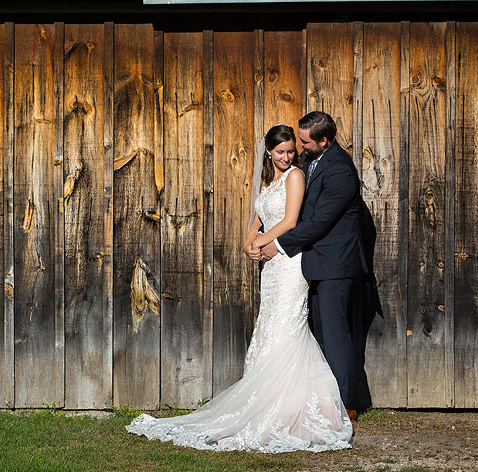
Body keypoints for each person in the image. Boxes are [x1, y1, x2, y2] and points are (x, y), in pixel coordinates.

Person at [125, 122, 353, 452]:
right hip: (270, 267)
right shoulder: (269, 180)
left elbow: (290, 221)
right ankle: (263, 397)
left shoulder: (295, 177)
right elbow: (258, 217)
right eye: (281, 152)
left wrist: (262, 241)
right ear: (269, 153)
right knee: (268, 328)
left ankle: (292, 406)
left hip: (289, 264)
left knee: (287, 328)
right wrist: (249, 241)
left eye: (291, 151)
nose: (288, 157)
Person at [253, 110, 367, 421]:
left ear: (324, 141)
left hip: (335, 264)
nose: (299, 149)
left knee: (335, 334)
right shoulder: (315, 161)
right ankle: (320, 395)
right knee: (317, 333)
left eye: (304, 142)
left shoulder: (341, 171)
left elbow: (318, 221)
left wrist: (276, 245)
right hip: (314, 262)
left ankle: (346, 403)